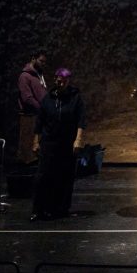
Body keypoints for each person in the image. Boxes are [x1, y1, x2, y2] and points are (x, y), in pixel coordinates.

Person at [31, 67, 86, 221]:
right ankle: (39, 209)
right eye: (57, 80)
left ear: (68, 81)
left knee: (65, 176)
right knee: (43, 176)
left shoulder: (75, 98)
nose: (59, 83)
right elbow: (40, 122)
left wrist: (78, 139)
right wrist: (36, 141)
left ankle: (61, 209)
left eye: (63, 81)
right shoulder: (48, 99)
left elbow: (81, 121)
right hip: (49, 143)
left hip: (67, 143)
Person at [16, 52, 47, 164]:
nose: (43, 64)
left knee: (37, 146)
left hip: (38, 115)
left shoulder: (38, 75)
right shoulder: (25, 76)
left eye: (44, 62)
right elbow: (27, 98)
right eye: (41, 61)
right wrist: (41, 108)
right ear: (33, 59)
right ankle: (26, 168)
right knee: (27, 147)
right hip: (29, 116)